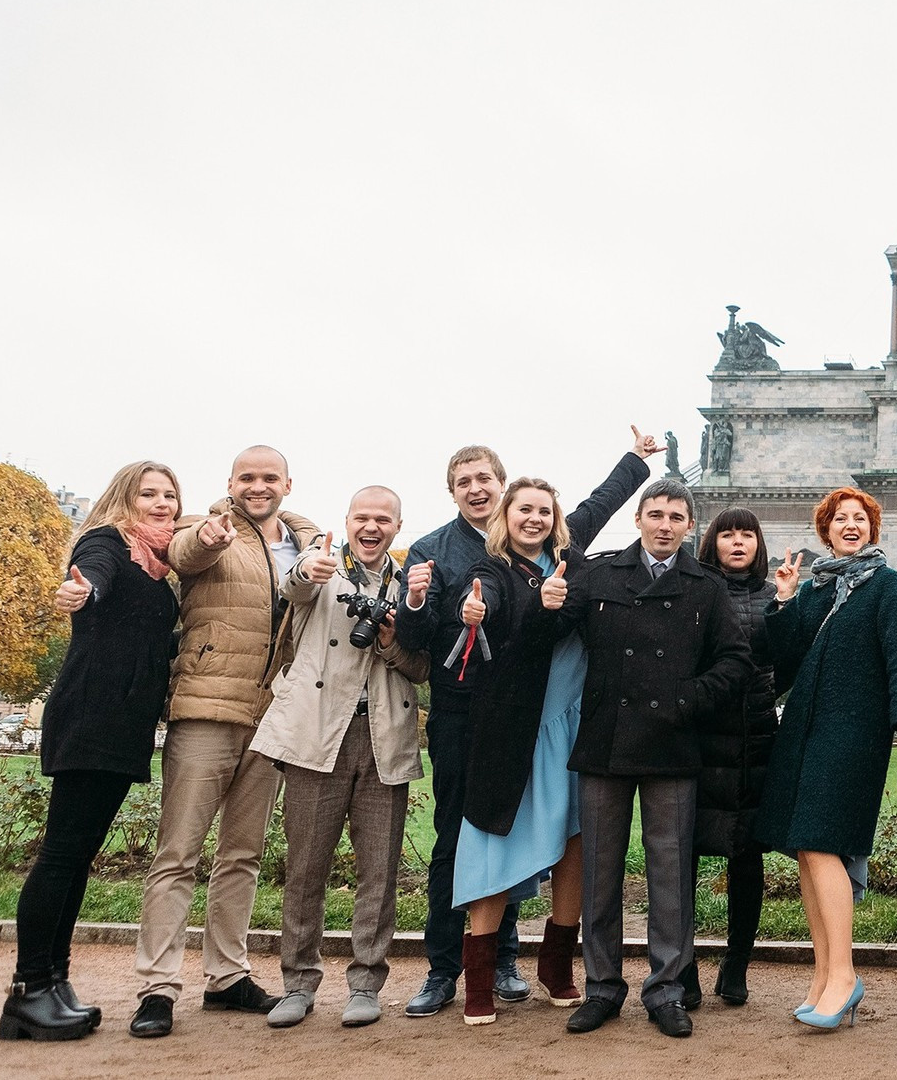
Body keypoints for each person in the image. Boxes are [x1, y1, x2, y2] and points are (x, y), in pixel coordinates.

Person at [395, 433, 654, 1018]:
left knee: (573, 839)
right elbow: (470, 623)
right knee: (481, 843)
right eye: (523, 510)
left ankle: (539, 964)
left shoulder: (567, 553)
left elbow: (599, 503)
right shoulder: (466, 561)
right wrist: (473, 609)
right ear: (498, 513)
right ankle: (459, 974)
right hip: (494, 722)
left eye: (543, 510)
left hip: (569, 718)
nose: (533, 518)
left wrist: (636, 460)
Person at [130, 446, 318, 1040]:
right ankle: (158, 987)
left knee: (242, 854)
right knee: (178, 854)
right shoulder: (204, 526)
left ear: (288, 484)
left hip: (270, 718)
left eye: (269, 478)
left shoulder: (308, 545)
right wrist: (210, 537)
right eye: (247, 478)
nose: (258, 486)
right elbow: (185, 552)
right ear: (231, 483)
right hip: (206, 709)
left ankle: (227, 976)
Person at [562, 481, 751, 1038]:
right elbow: (549, 630)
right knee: (600, 873)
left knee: (670, 875)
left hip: (672, 745)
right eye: (655, 514)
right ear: (639, 519)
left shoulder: (706, 587)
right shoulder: (598, 575)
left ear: (690, 525)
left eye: (675, 516)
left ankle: (666, 991)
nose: (665, 525)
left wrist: (686, 700)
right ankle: (602, 989)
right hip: (605, 742)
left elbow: (736, 660)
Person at [2, 463, 182, 1043]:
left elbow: (143, 637)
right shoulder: (107, 542)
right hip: (92, 716)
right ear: (124, 498)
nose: (161, 502)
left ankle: (54, 981)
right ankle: (29, 989)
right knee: (61, 855)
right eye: (148, 493)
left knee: (77, 856)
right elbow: (93, 577)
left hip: (120, 723)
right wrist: (82, 590)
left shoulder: (158, 566)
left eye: (169, 494)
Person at [250, 488, 430, 1029]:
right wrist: (310, 569)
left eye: (383, 520)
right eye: (362, 518)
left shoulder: (411, 586)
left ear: (397, 527)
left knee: (379, 869)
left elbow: (423, 668)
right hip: (317, 733)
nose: (371, 528)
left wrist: (391, 641)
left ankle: (366, 983)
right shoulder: (322, 566)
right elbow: (293, 584)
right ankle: (298, 983)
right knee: (306, 866)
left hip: (382, 736)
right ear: (347, 521)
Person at [753, 487, 897, 1031]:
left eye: (860, 519)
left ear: (872, 530)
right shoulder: (816, 587)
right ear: (826, 531)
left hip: (854, 732)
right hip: (804, 729)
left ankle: (845, 975)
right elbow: (785, 661)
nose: (850, 525)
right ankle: (823, 976)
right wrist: (784, 601)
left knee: (822, 841)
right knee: (805, 849)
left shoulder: (886, 583)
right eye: (840, 519)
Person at [683, 507, 779, 1008]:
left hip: (756, 737)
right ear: (712, 542)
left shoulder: (774, 594)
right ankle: (683, 967)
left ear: (758, 543)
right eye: (727, 534)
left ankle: (737, 962)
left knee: (747, 855)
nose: (738, 542)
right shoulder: (694, 590)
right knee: (684, 854)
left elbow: (786, 660)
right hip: (700, 735)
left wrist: (763, 695)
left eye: (747, 534)